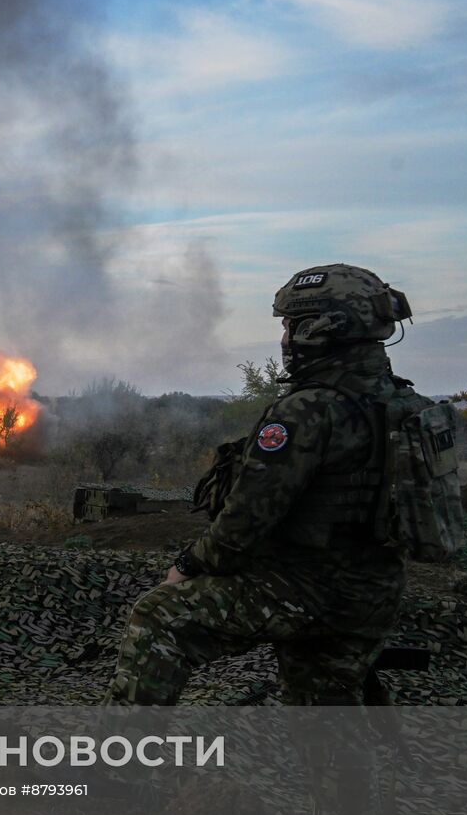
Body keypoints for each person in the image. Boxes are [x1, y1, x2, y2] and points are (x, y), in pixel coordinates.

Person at [105, 264, 420, 706]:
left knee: (159, 615)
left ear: (319, 329)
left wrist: (188, 565)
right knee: (325, 722)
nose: (285, 336)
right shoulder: (404, 402)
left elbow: (246, 520)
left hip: (309, 588)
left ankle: (117, 768)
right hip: (373, 591)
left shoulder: (307, 410)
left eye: (291, 325)